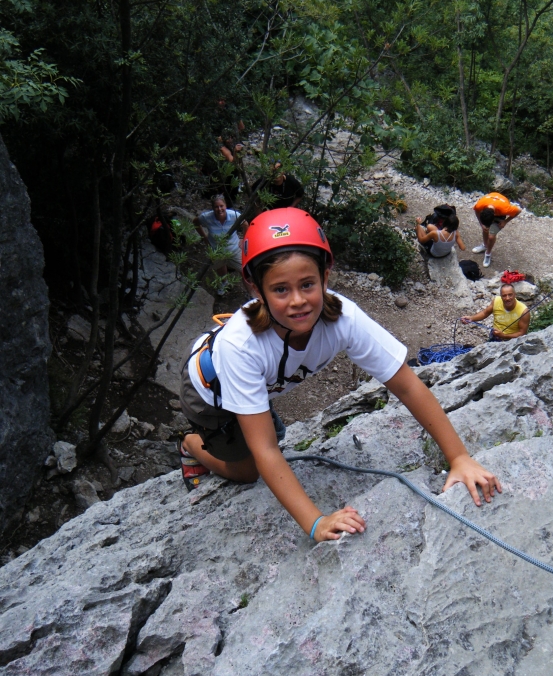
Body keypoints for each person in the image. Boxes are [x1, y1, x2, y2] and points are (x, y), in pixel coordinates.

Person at [177, 208, 502, 543]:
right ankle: (190, 445)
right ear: (255, 288)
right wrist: (315, 523)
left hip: (260, 384)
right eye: (280, 290)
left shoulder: (342, 318)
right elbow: (266, 451)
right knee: (248, 471)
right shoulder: (241, 345)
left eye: (307, 284)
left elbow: (406, 385)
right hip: (207, 393)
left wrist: (459, 458)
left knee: (270, 440)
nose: (298, 301)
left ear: (325, 276)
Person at [193, 195, 244, 289]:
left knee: (244, 271)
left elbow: (245, 224)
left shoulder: (234, 215)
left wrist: (244, 239)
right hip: (216, 250)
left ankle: (252, 292)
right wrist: (204, 238)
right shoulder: (206, 217)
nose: (219, 209)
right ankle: (224, 283)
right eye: (216, 207)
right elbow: (195, 222)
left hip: (234, 249)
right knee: (220, 266)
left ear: (225, 206)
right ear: (213, 208)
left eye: (221, 206)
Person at [460, 282, 530, 340]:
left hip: (511, 341)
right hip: (495, 335)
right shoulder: (496, 301)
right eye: (504, 296)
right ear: (501, 297)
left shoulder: (523, 312)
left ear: (515, 295)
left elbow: (522, 333)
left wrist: (504, 336)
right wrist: (471, 318)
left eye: (510, 295)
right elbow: (485, 313)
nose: (507, 298)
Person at [472, 192, 522, 268]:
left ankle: (488, 253)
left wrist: (505, 221)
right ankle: (485, 246)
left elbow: (518, 210)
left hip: (500, 214)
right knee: (485, 229)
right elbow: (476, 210)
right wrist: (481, 224)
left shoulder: (505, 209)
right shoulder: (480, 204)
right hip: (491, 204)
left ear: (493, 220)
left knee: (491, 236)